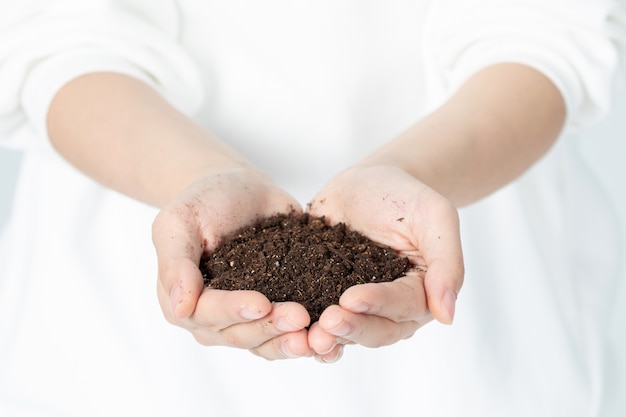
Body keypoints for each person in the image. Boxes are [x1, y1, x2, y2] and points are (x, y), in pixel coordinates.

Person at [1, 0, 624, 415]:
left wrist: (413, 174)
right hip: (120, 291)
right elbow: (59, 38)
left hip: (471, 209)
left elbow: (544, 33)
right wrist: (197, 177)